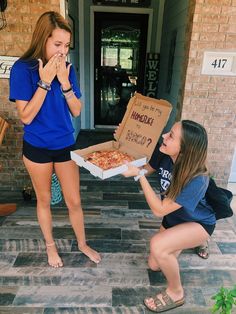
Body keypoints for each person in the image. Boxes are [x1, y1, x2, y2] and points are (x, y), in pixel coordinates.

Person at [9, 11, 101, 267]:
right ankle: (50, 247)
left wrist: (65, 83)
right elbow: (26, 117)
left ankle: (82, 243)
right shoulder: (22, 69)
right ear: (43, 40)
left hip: (64, 144)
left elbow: (77, 110)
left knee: (74, 200)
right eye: (57, 44)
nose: (62, 51)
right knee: (45, 200)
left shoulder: (67, 69)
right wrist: (45, 82)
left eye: (66, 46)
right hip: (36, 146)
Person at [122, 120, 216, 312]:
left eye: (171, 135)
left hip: (198, 222)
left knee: (158, 245)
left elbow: (159, 209)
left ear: (184, 149)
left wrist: (138, 177)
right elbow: (146, 169)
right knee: (154, 265)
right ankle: (181, 241)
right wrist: (124, 143)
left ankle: (176, 292)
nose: (164, 136)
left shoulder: (198, 178)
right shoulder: (164, 152)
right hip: (174, 219)